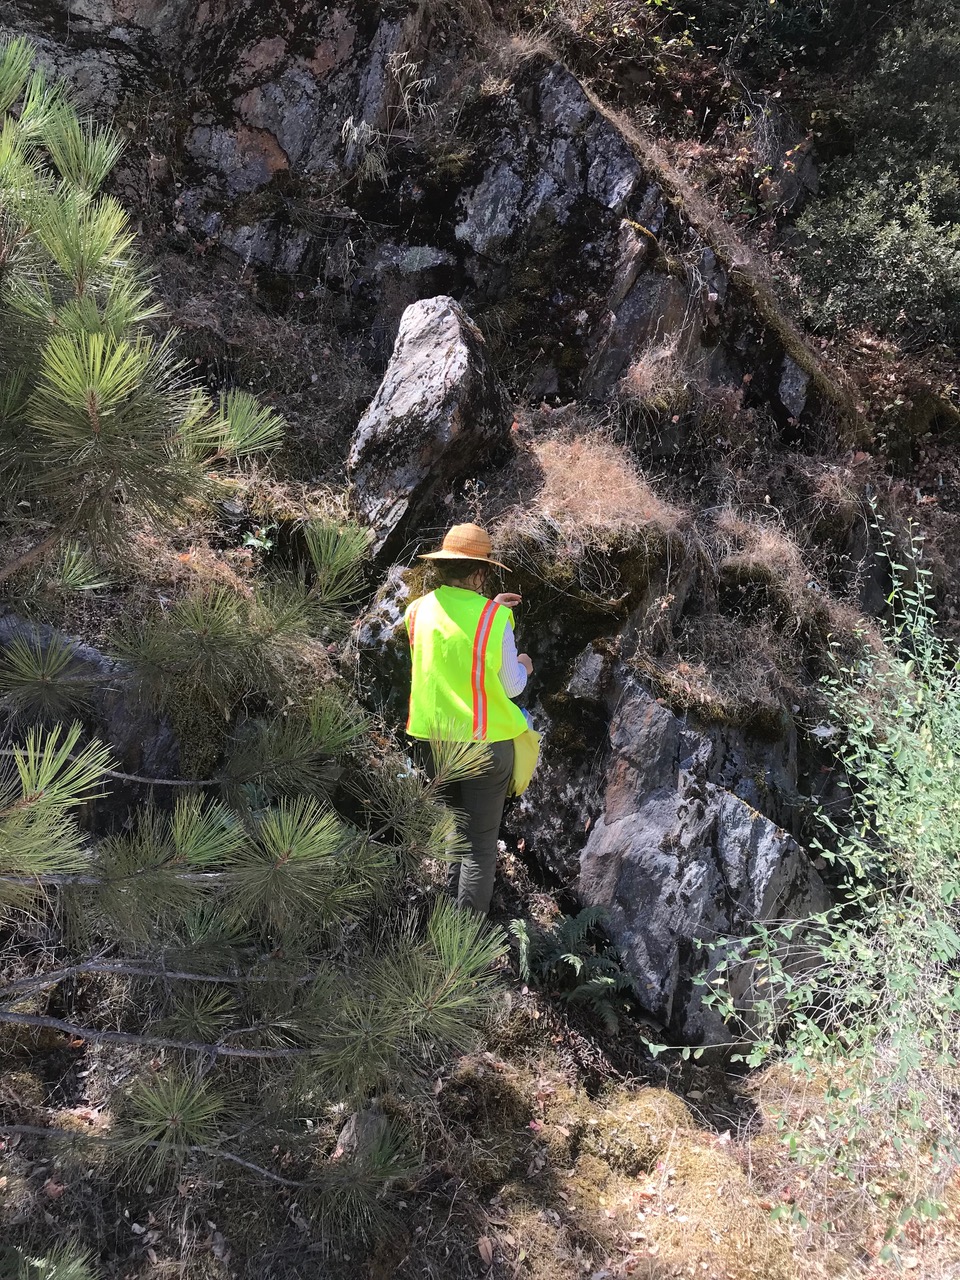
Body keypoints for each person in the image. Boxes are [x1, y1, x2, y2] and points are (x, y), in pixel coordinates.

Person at [404, 522, 534, 914]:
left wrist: (487, 607)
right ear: (479, 572)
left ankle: (444, 918)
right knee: (479, 848)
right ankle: (462, 945)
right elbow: (512, 687)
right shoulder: (494, 619)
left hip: (433, 744)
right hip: (484, 748)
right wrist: (525, 663)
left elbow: (450, 649)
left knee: (455, 832)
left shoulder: (416, 612)